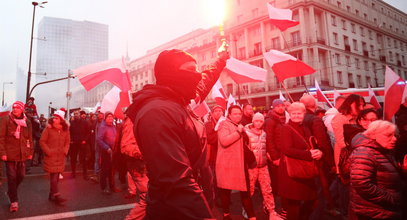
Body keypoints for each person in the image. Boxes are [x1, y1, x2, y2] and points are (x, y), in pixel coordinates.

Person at [127, 44, 229, 219]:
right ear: (171, 73)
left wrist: (220, 60)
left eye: (197, 70)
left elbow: (204, 80)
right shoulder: (157, 112)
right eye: (191, 70)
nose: (197, 75)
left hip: (192, 204)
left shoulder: (178, 102)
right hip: (176, 212)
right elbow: (177, 183)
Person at [349, 120, 404, 219]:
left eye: (395, 135)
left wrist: (402, 169)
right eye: (389, 135)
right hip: (373, 212)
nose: (395, 139)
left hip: (383, 210)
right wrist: (391, 198)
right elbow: (361, 183)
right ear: (373, 135)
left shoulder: (381, 149)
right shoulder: (365, 152)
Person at [279, 102, 323, 220]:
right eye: (293, 113)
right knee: (294, 206)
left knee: (311, 201)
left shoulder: (305, 127)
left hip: (304, 171)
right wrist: (309, 154)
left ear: (304, 113)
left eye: (299, 113)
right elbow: (287, 149)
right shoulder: (286, 128)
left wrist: (318, 152)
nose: (296, 116)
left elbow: (311, 144)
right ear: (289, 114)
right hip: (292, 173)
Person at [217, 105, 256, 220]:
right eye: (235, 114)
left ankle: (252, 216)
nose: (238, 116)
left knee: (245, 191)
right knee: (226, 191)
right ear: (229, 115)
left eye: (239, 113)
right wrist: (238, 133)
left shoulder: (240, 126)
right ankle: (226, 215)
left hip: (241, 163)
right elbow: (224, 141)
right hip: (228, 164)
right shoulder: (224, 125)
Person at [0, 101, 33, 212]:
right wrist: (3, 153)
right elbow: (1, 138)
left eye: (17, 108)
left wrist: (30, 152)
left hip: (22, 154)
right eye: (14, 108)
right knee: (12, 177)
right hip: (9, 154)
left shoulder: (27, 121)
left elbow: (29, 138)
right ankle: (14, 201)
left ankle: (10, 191)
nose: (15, 109)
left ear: (22, 109)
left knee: (21, 175)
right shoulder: (5, 119)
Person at [245, 112, 275, 216]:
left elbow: (265, 148)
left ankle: (270, 209)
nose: (258, 123)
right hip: (251, 167)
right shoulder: (246, 132)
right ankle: (246, 210)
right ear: (253, 121)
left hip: (263, 166)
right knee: (250, 189)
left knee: (267, 189)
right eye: (256, 121)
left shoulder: (264, 133)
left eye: (261, 121)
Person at [39, 109, 70, 205]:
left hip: (60, 156)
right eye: (53, 118)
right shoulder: (48, 129)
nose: (54, 120)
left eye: (56, 118)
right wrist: (48, 152)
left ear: (61, 119)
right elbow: (42, 141)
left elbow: (67, 142)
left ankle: (51, 194)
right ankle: (56, 195)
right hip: (51, 156)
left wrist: (65, 151)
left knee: (56, 177)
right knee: (54, 176)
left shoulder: (65, 130)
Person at [120, 114, 148, 220]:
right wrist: (147, 153)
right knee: (148, 197)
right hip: (139, 166)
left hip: (149, 165)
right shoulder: (132, 119)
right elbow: (126, 146)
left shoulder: (146, 116)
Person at [264, 99, 286, 215]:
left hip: (283, 154)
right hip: (276, 156)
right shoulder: (270, 120)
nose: (281, 108)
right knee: (278, 185)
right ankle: (277, 209)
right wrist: (275, 157)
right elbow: (269, 140)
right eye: (278, 106)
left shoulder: (281, 119)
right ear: (273, 107)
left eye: (282, 105)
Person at [204, 104, 224, 206]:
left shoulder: (224, 123)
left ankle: (223, 198)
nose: (219, 113)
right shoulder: (208, 124)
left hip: (223, 156)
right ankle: (215, 199)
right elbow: (211, 139)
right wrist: (219, 132)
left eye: (220, 111)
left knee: (222, 179)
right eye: (216, 111)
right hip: (213, 157)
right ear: (212, 113)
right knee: (214, 180)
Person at [97, 112, 121, 194]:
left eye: (111, 117)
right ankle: (104, 187)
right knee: (105, 170)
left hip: (114, 151)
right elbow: (99, 139)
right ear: (105, 118)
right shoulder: (103, 127)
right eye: (109, 117)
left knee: (112, 170)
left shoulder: (114, 127)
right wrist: (106, 147)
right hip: (106, 151)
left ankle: (112, 186)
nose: (110, 118)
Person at [69, 110, 90, 179]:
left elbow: (88, 132)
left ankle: (85, 174)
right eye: (74, 114)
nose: (76, 115)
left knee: (84, 159)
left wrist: (85, 140)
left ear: (79, 114)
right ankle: (73, 173)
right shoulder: (72, 122)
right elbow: (70, 132)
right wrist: (71, 140)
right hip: (74, 143)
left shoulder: (85, 122)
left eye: (77, 114)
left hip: (82, 143)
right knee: (73, 159)